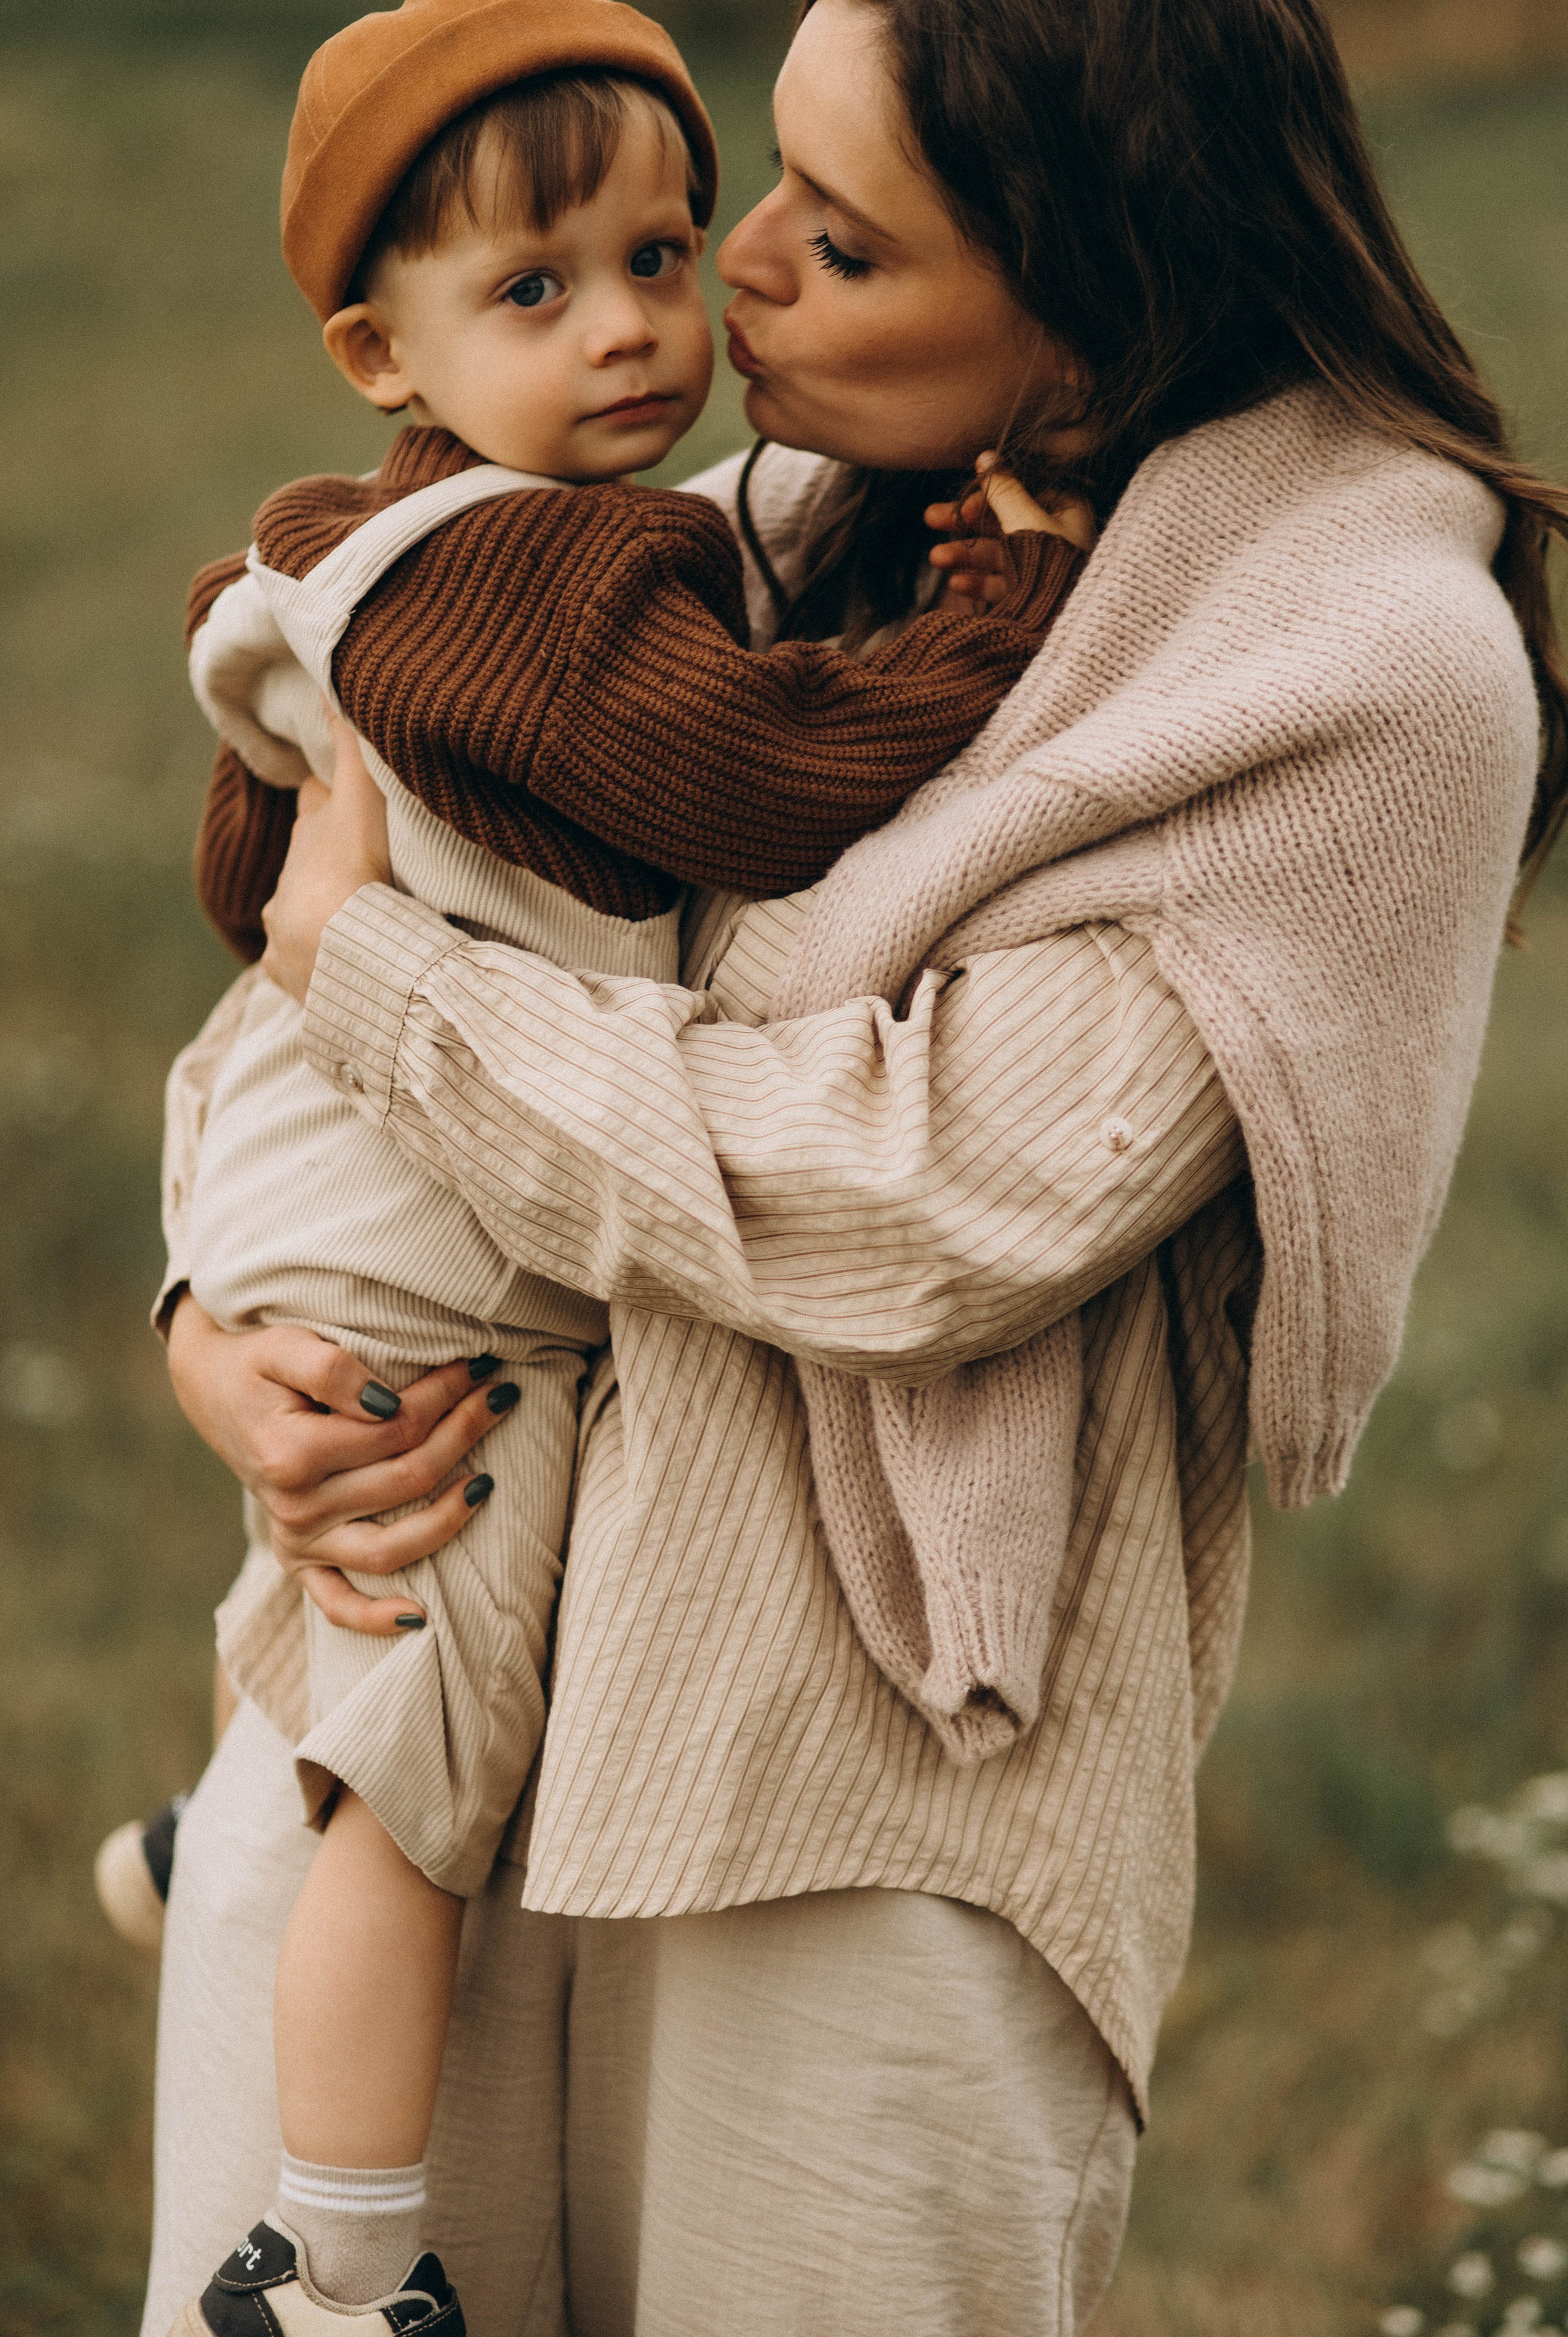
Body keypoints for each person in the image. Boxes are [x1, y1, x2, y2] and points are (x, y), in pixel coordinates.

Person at [142, 0, 1568, 2331]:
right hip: (400, 1684)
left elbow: (920, 1206)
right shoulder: (752, 534)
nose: (730, 268)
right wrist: (223, 1333)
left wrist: (378, 988)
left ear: (1097, 302)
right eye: (770, 183)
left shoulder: (1359, 679)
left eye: (840, 233)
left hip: (841, 1806)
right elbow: (295, 972)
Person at [138, 3, 1089, 2328]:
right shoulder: (514, 584)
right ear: (387, 345)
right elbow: (763, 782)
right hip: (418, 1289)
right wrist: (1001, 614)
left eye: (660, 252)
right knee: (422, 1768)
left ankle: (225, 1822)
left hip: (348, 1185)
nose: (653, 323)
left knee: (386, 1692)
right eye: (537, 292)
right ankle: (342, 2272)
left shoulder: (412, 545)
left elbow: (257, 869)